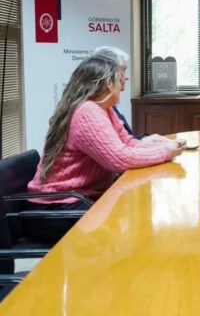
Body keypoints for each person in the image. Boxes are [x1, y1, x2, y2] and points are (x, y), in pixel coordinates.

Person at [26, 55, 185, 243]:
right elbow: (119, 159)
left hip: (75, 200)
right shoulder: (87, 111)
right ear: (109, 83)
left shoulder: (103, 109)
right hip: (55, 208)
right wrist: (165, 152)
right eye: (120, 78)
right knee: (127, 228)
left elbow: (128, 143)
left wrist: (163, 146)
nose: (123, 84)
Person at [91, 46, 147, 139]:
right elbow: (117, 146)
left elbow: (126, 139)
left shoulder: (108, 105)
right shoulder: (94, 110)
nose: (126, 77)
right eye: (123, 70)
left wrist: (150, 140)